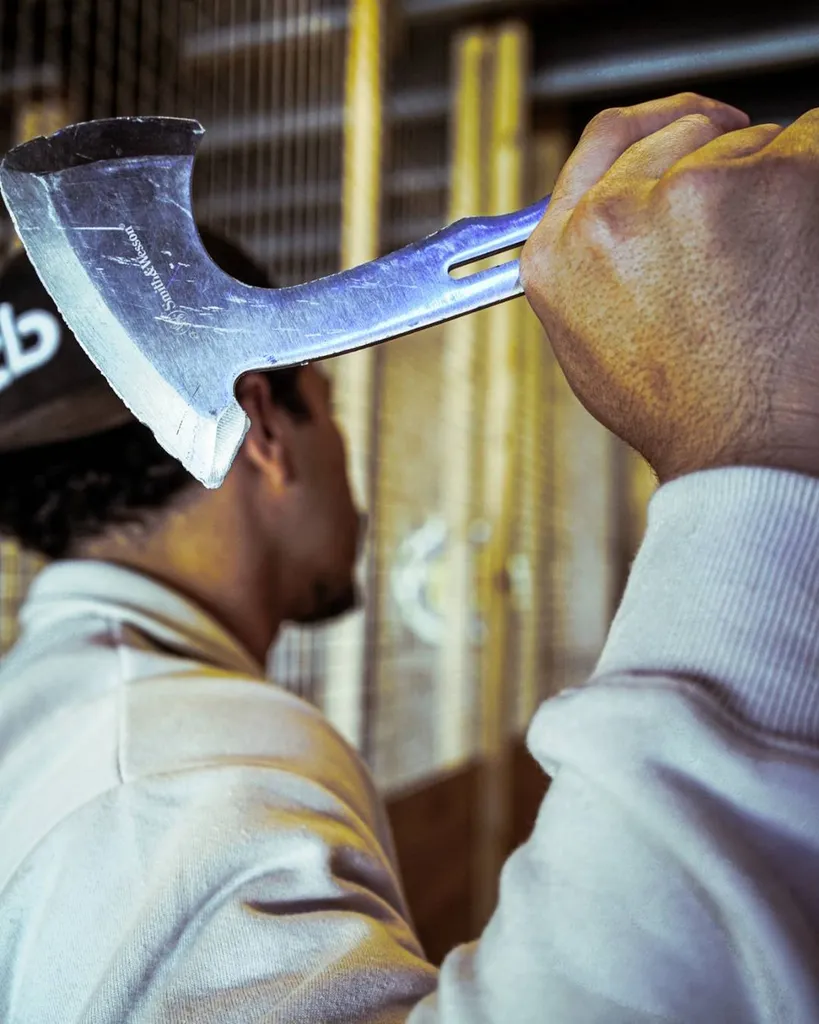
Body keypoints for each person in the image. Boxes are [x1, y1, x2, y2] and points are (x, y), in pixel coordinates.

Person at [2, 88, 819, 1021]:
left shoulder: (45, 726)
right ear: (267, 427)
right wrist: (759, 453)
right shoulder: (179, 778)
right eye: (336, 412)